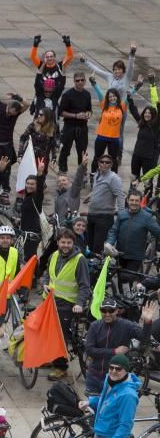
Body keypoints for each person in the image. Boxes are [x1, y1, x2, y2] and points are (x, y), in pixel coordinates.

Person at [43, 229, 91, 381]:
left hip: (68, 304)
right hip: (50, 301)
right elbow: (48, 274)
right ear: (57, 242)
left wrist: (79, 303)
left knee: (60, 336)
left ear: (73, 243)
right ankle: (51, 357)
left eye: (68, 242)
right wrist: (45, 283)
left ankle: (61, 367)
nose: (65, 245)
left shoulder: (80, 260)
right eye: (63, 242)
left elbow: (85, 286)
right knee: (48, 331)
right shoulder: (54, 255)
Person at [84, 298, 155, 397]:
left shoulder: (126, 325)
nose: (107, 314)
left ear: (117, 310)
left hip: (116, 378)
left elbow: (144, 338)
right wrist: (114, 351)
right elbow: (89, 350)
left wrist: (147, 322)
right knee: (93, 408)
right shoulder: (94, 326)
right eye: (104, 311)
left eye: (111, 311)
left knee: (112, 410)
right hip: (94, 376)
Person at [106, 192, 160, 273]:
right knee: (120, 278)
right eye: (131, 200)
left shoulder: (147, 217)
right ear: (127, 200)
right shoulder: (122, 214)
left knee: (128, 277)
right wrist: (109, 243)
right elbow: (114, 231)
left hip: (136, 256)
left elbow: (158, 232)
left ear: (140, 202)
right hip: (120, 253)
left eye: (136, 200)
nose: (134, 203)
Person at [85, 155, 124, 254]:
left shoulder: (114, 178)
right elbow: (98, 189)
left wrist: (122, 214)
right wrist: (91, 195)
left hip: (104, 217)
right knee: (89, 246)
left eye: (107, 162)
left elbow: (120, 196)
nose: (104, 164)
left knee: (99, 248)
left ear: (111, 164)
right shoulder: (97, 175)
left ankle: (99, 268)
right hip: (91, 214)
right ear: (98, 163)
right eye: (102, 161)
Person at [57, 71, 93, 173]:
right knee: (65, 150)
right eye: (78, 80)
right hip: (69, 126)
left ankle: (82, 172)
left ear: (85, 81)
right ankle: (62, 170)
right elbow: (61, 112)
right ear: (74, 81)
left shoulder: (87, 94)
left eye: (82, 80)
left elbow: (89, 109)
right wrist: (75, 116)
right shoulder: (67, 95)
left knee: (82, 151)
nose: (80, 82)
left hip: (82, 127)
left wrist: (89, 113)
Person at [127, 89, 160, 182]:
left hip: (149, 158)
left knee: (147, 180)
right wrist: (130, 100)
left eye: (149, 113)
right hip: (137, 155)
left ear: (153, 115)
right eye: (146, 112)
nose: (147, 114)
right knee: (133, 177)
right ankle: (132, 194)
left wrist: (158, 106)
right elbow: (134, 111)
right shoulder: (142, 123)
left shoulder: (156, 127)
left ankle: (147, 196)